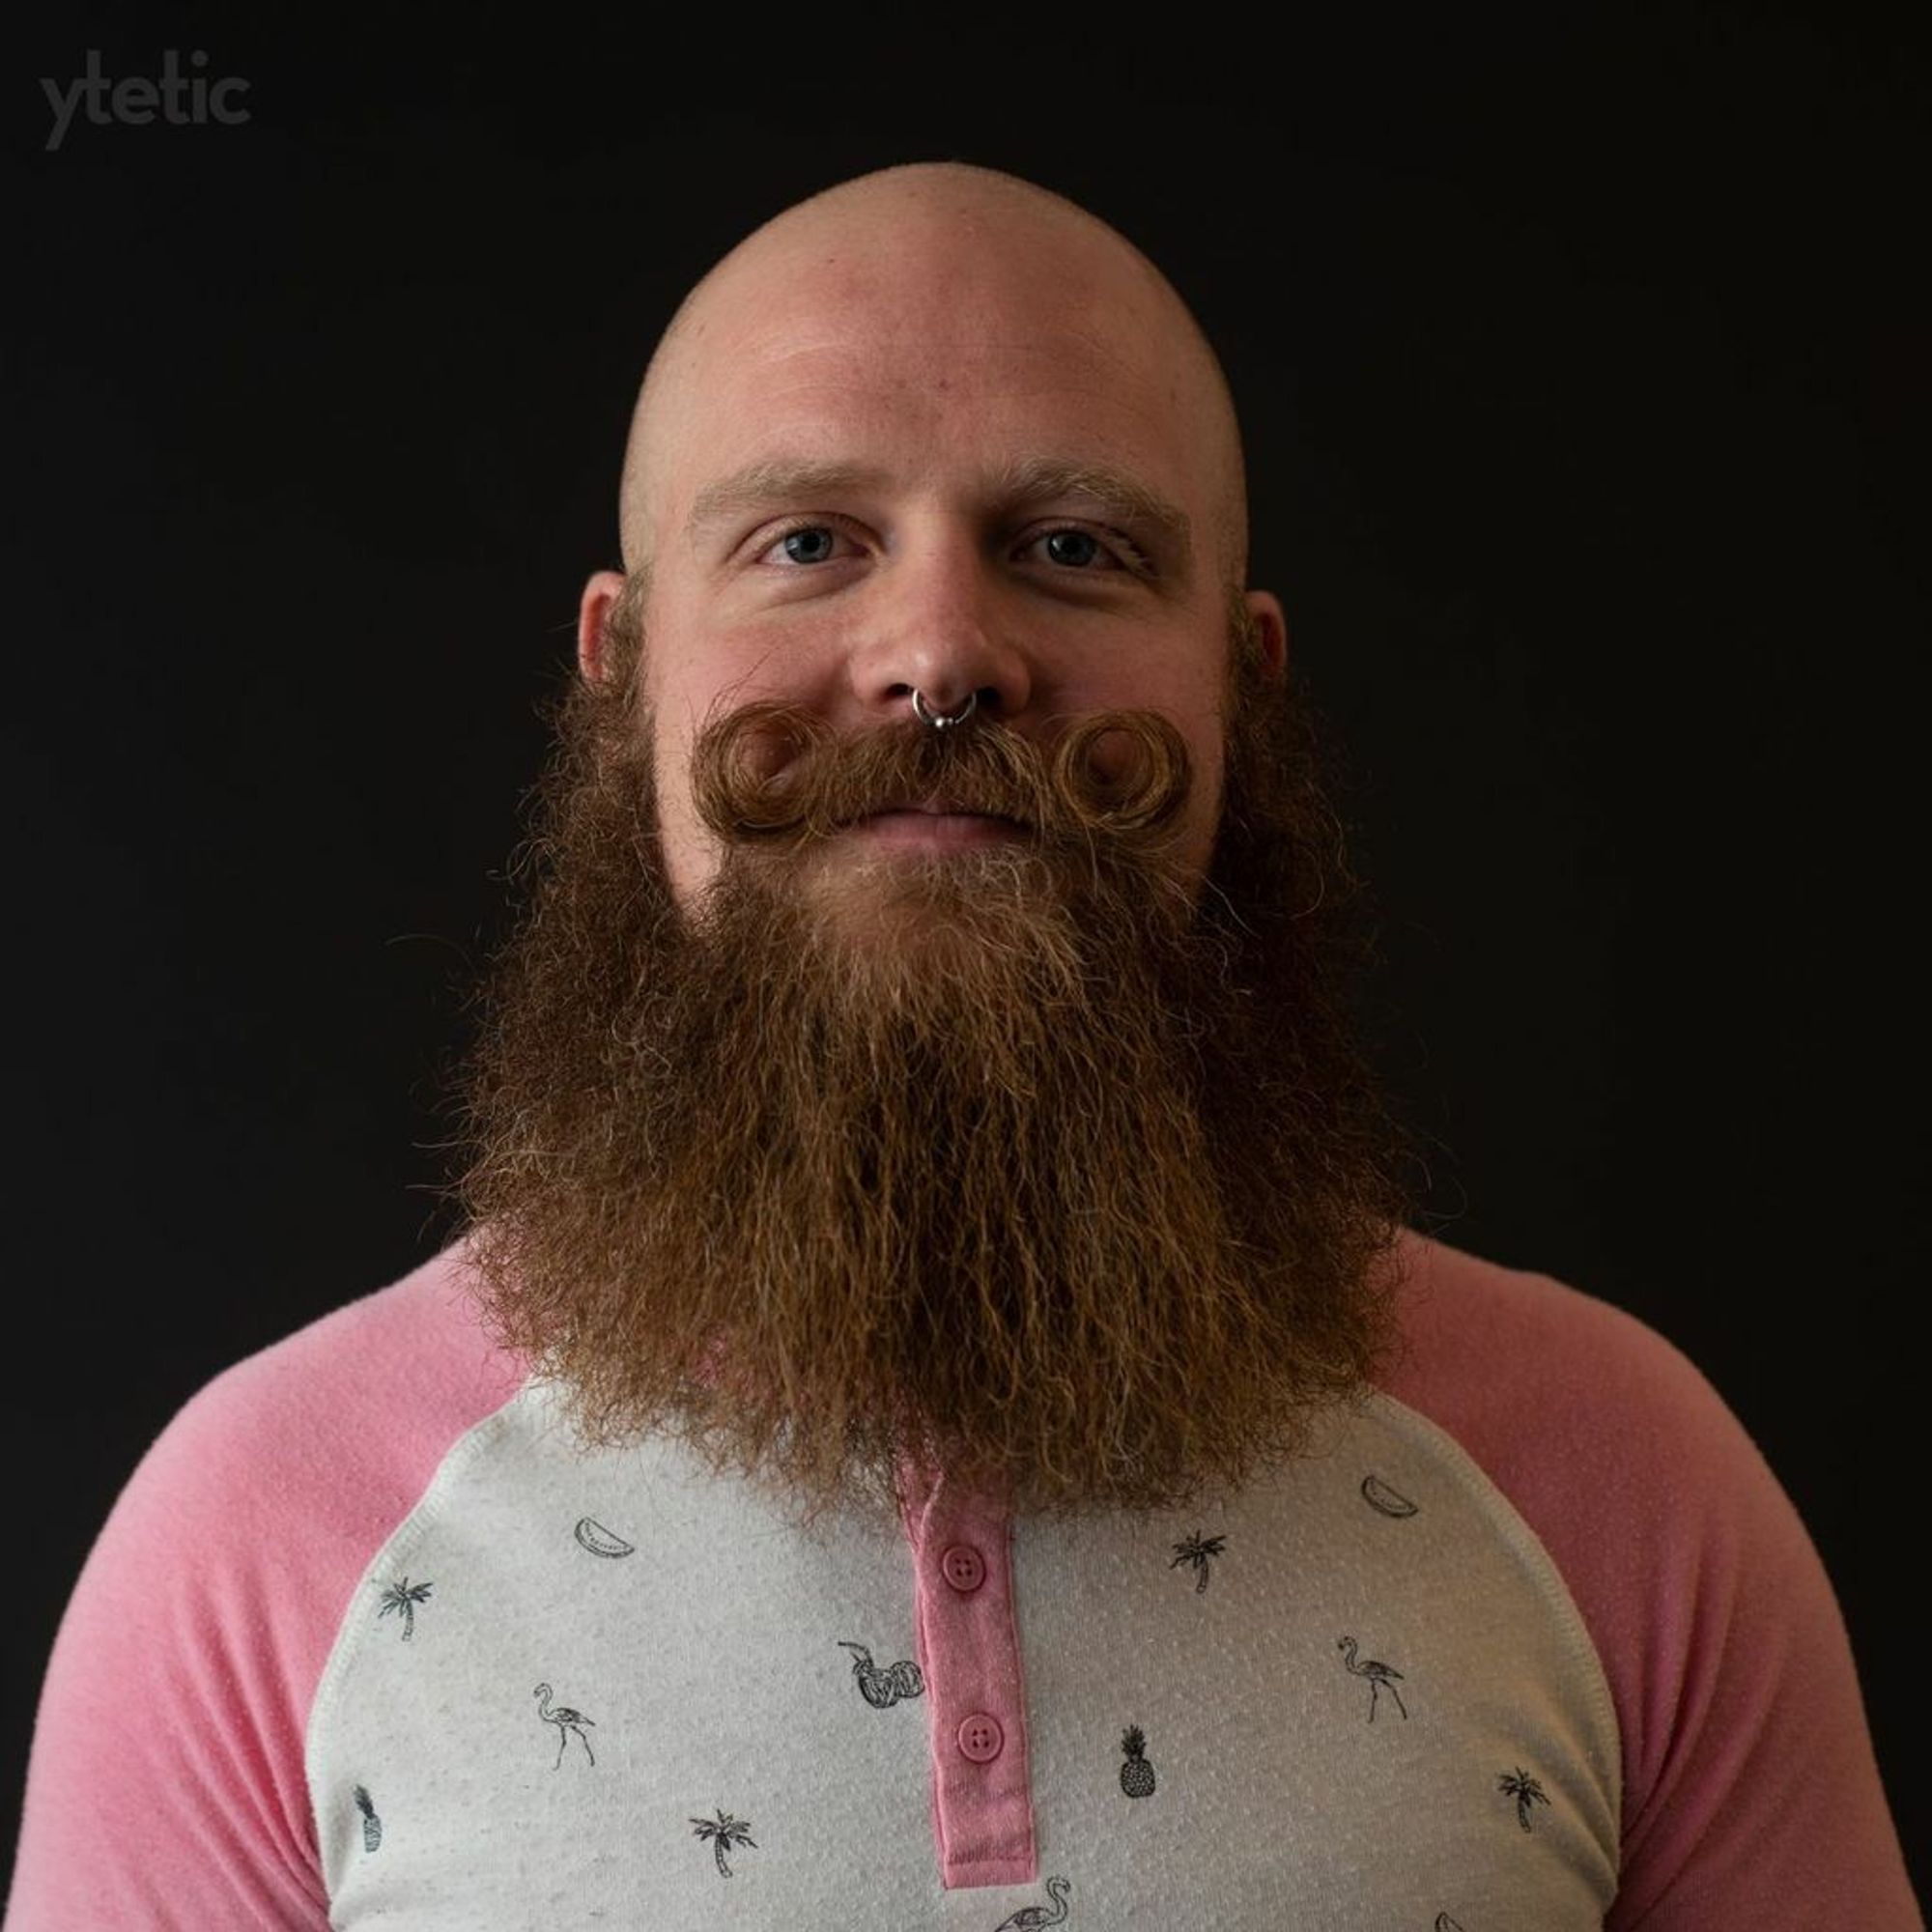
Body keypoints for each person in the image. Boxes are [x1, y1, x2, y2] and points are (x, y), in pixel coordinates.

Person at [6, 162, 1918, 1930]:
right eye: (810, 539)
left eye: (1073, 546)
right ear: (619, 671)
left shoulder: (1622, 1487)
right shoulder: (258, 1546)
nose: (941, 649)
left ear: (1240, 685)